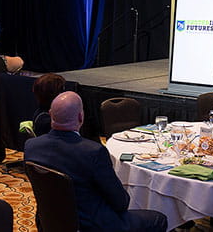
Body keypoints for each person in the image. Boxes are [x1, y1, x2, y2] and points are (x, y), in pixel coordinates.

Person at [24, 92, 168, 232]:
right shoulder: (93, 152)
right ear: (81, 117)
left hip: (50, 221)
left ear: (50, 115)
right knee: (158, 219)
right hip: (94, 225)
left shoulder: (31, 146)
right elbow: (121, 203)